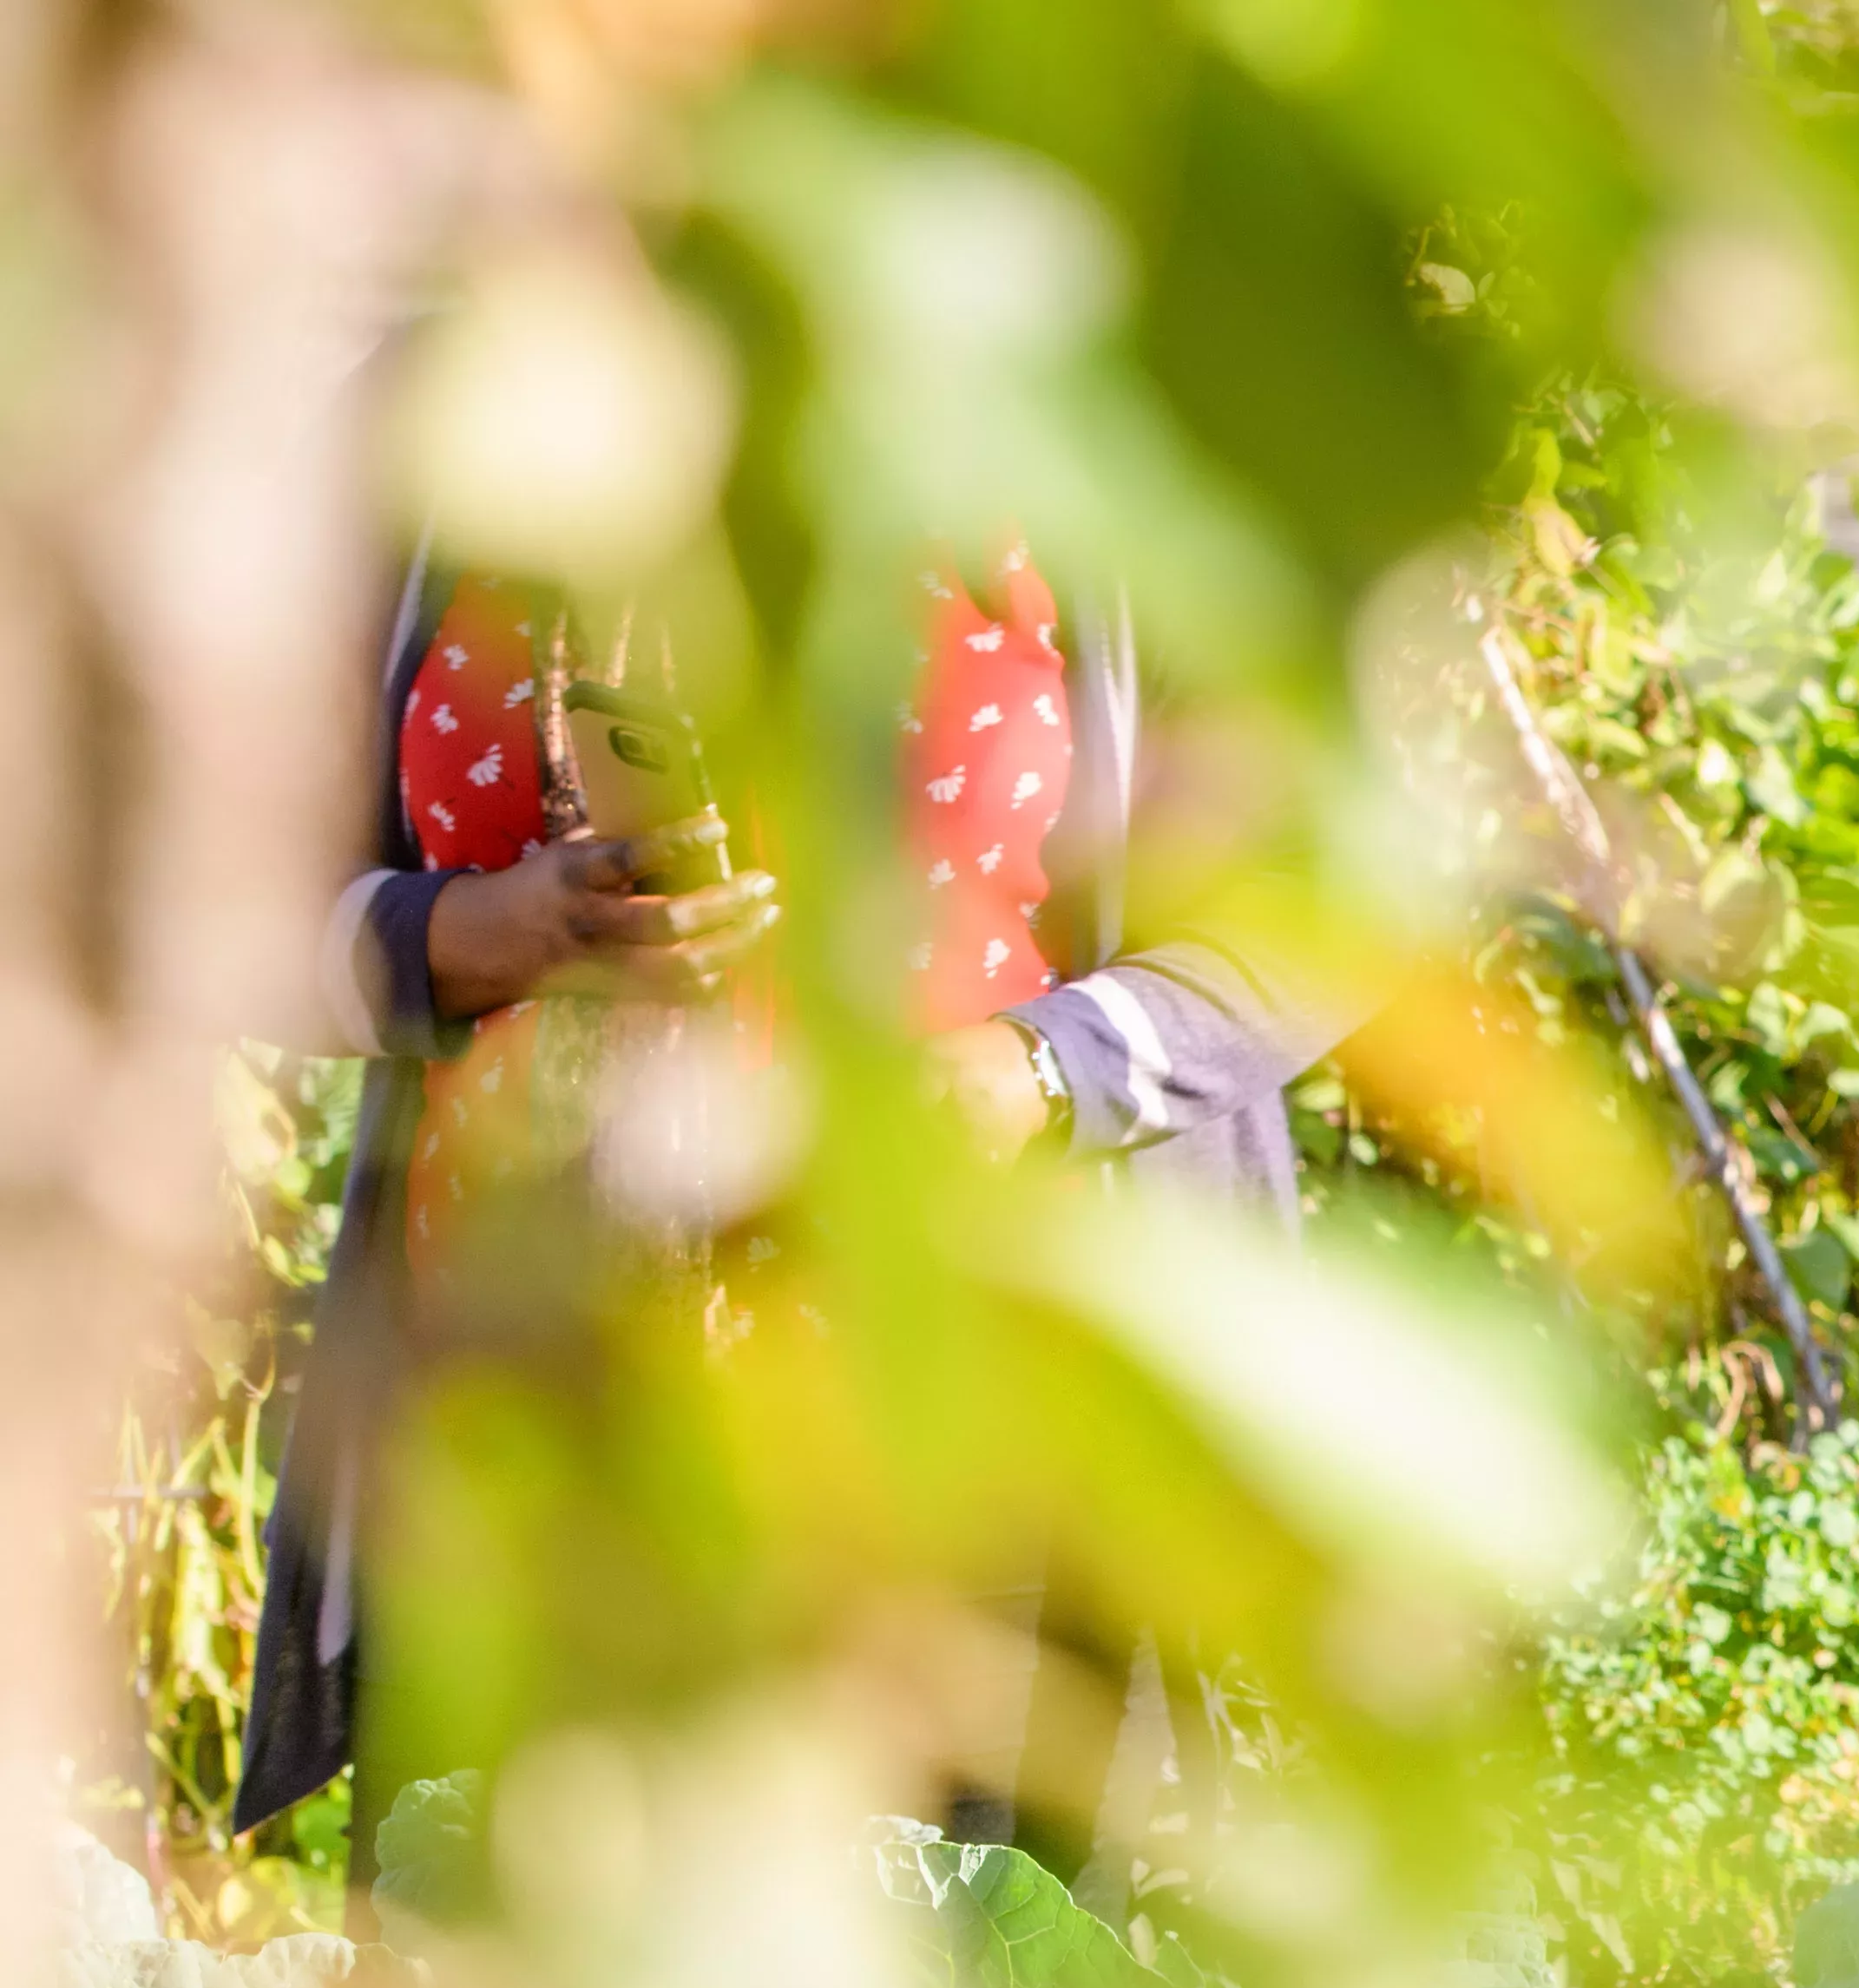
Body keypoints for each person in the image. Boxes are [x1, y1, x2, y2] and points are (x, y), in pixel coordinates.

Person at [251, 550, 1333, 1844]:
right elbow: (208, 906)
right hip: (519, 1445)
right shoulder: (475, 491)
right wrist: (468, 933)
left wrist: (1037, 1066)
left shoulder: (1092, 476)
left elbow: (1323, 910)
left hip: (963, 1473)